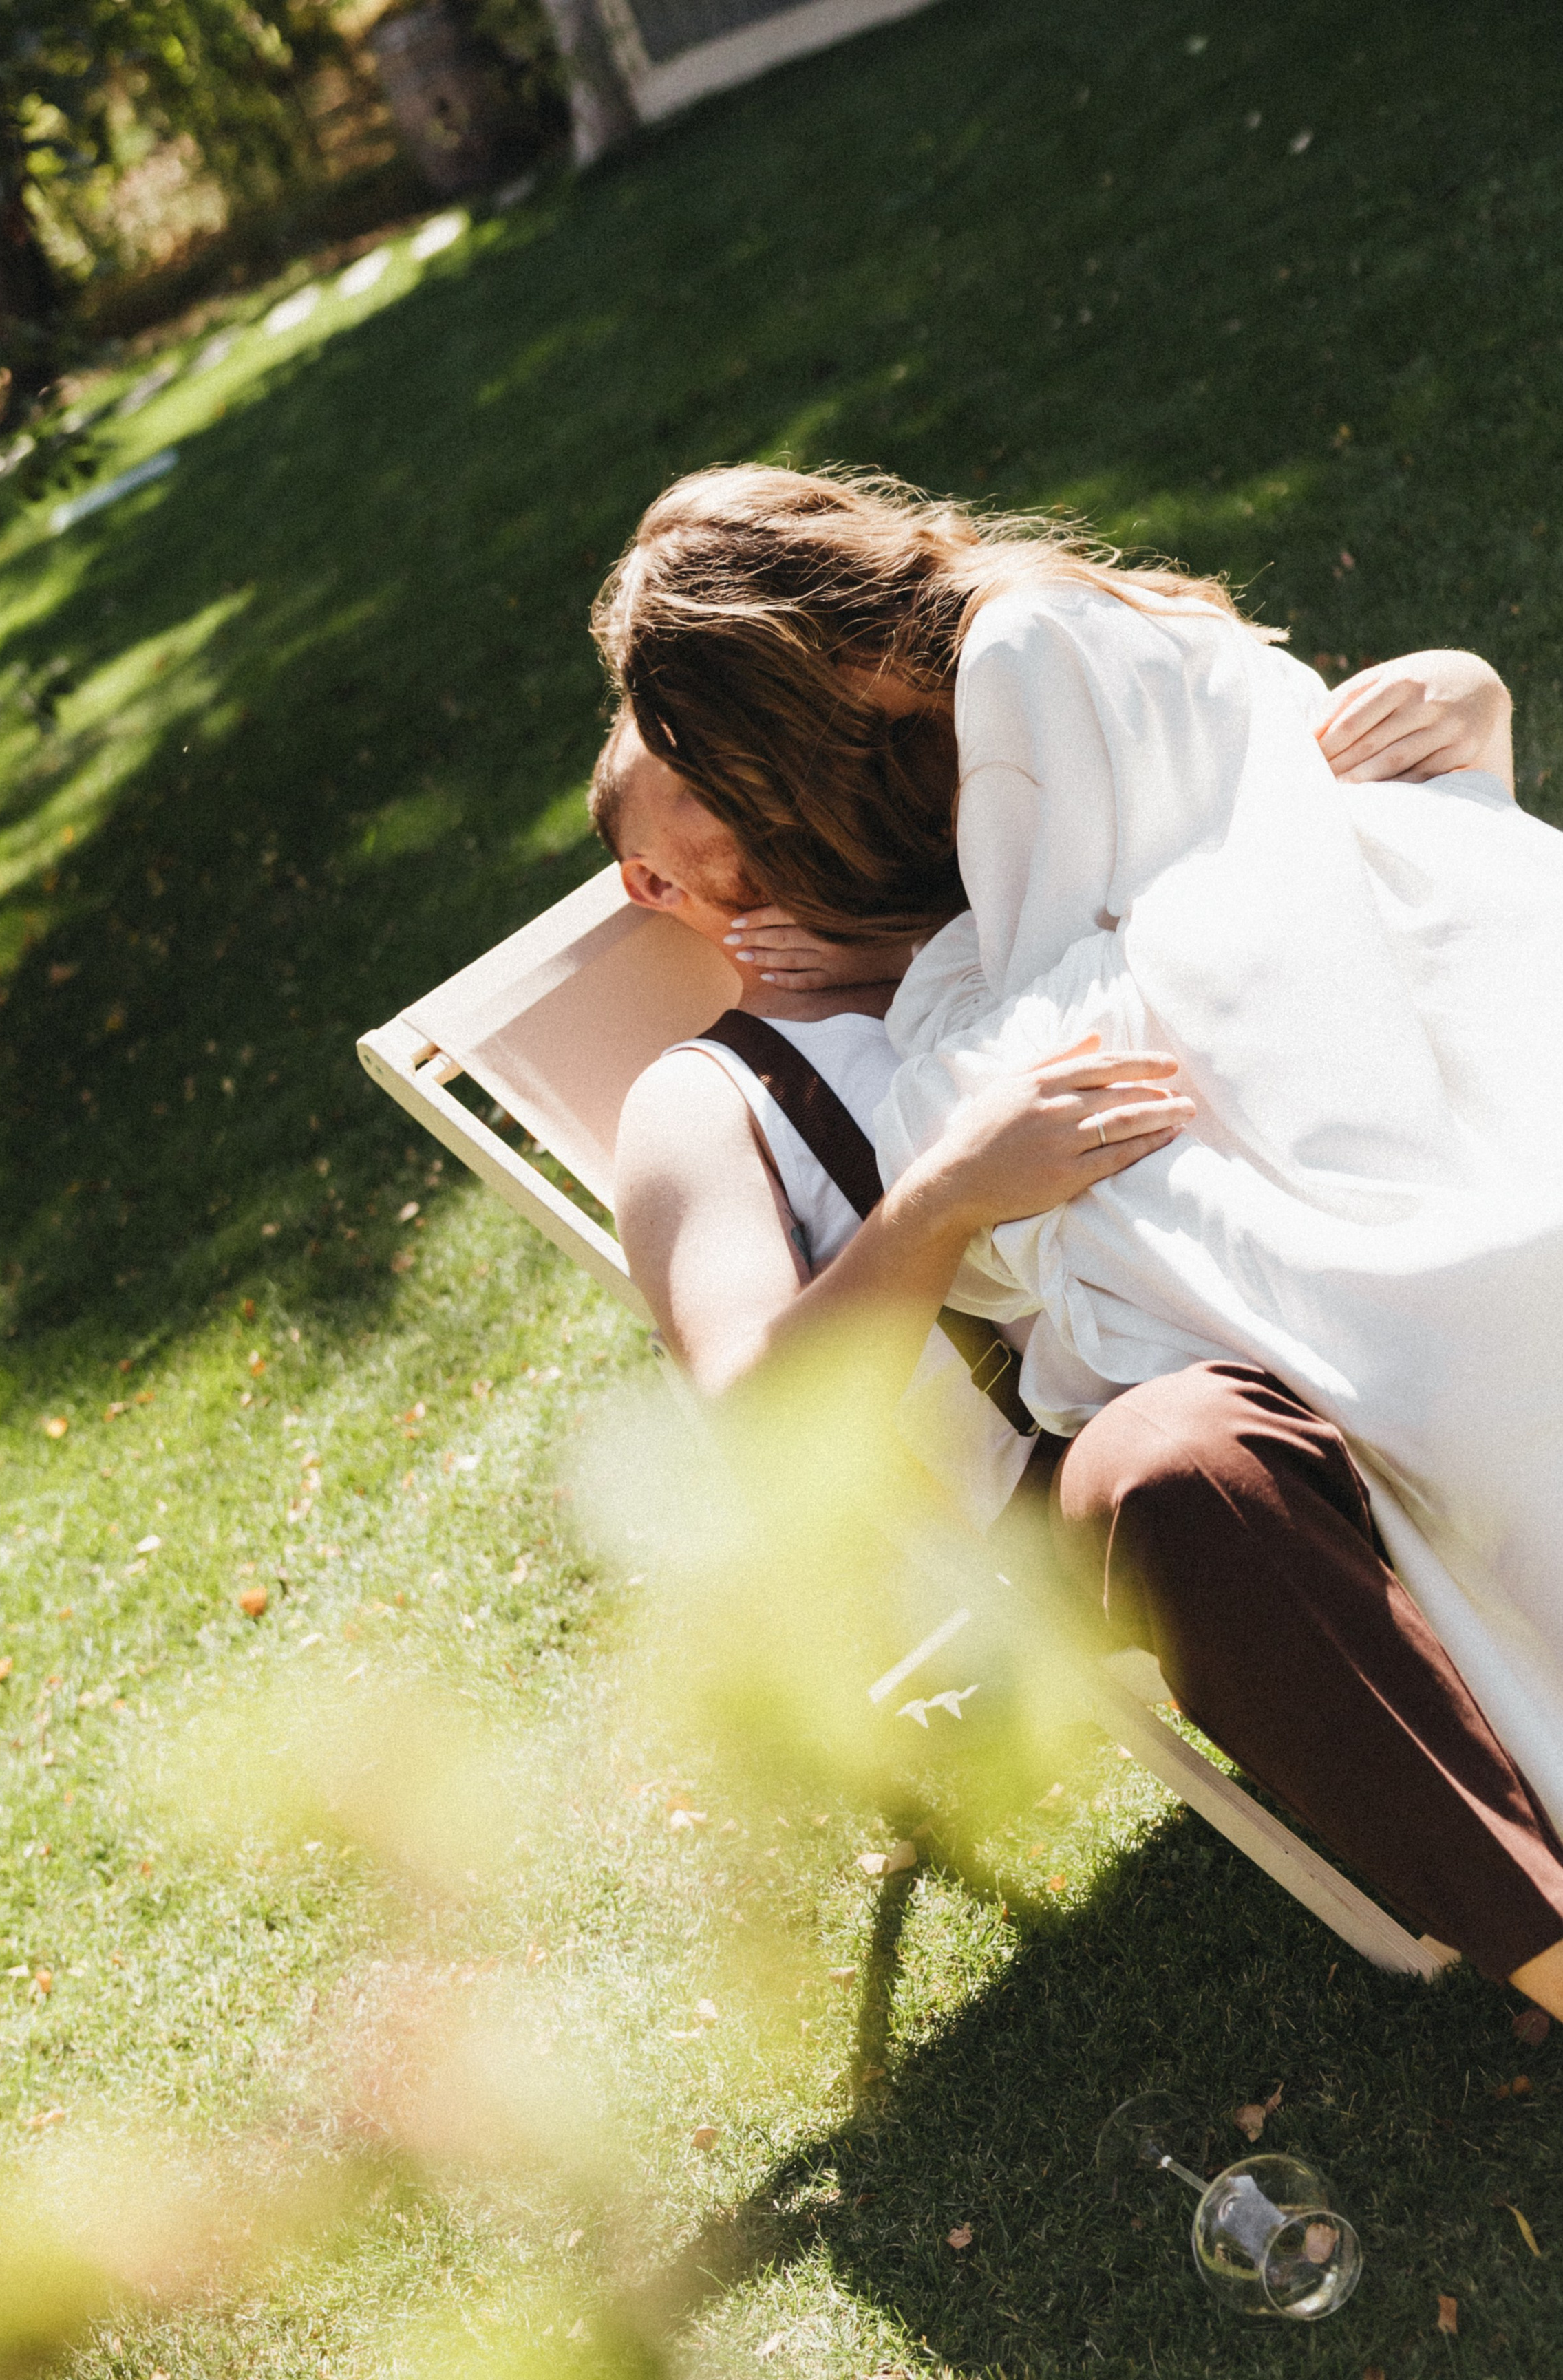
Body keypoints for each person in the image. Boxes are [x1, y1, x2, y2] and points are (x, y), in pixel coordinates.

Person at [595, 520, 1563, 2016]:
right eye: (722, 797)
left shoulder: (1030, 861)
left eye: (773, 766)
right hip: (1091, 1449)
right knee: (1179, 1465)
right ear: (658, 884)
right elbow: (765, 1428)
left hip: (1326, 1293)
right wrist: (943, 1199)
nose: (785, 804)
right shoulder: (706, 1100)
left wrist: (1463, 711)